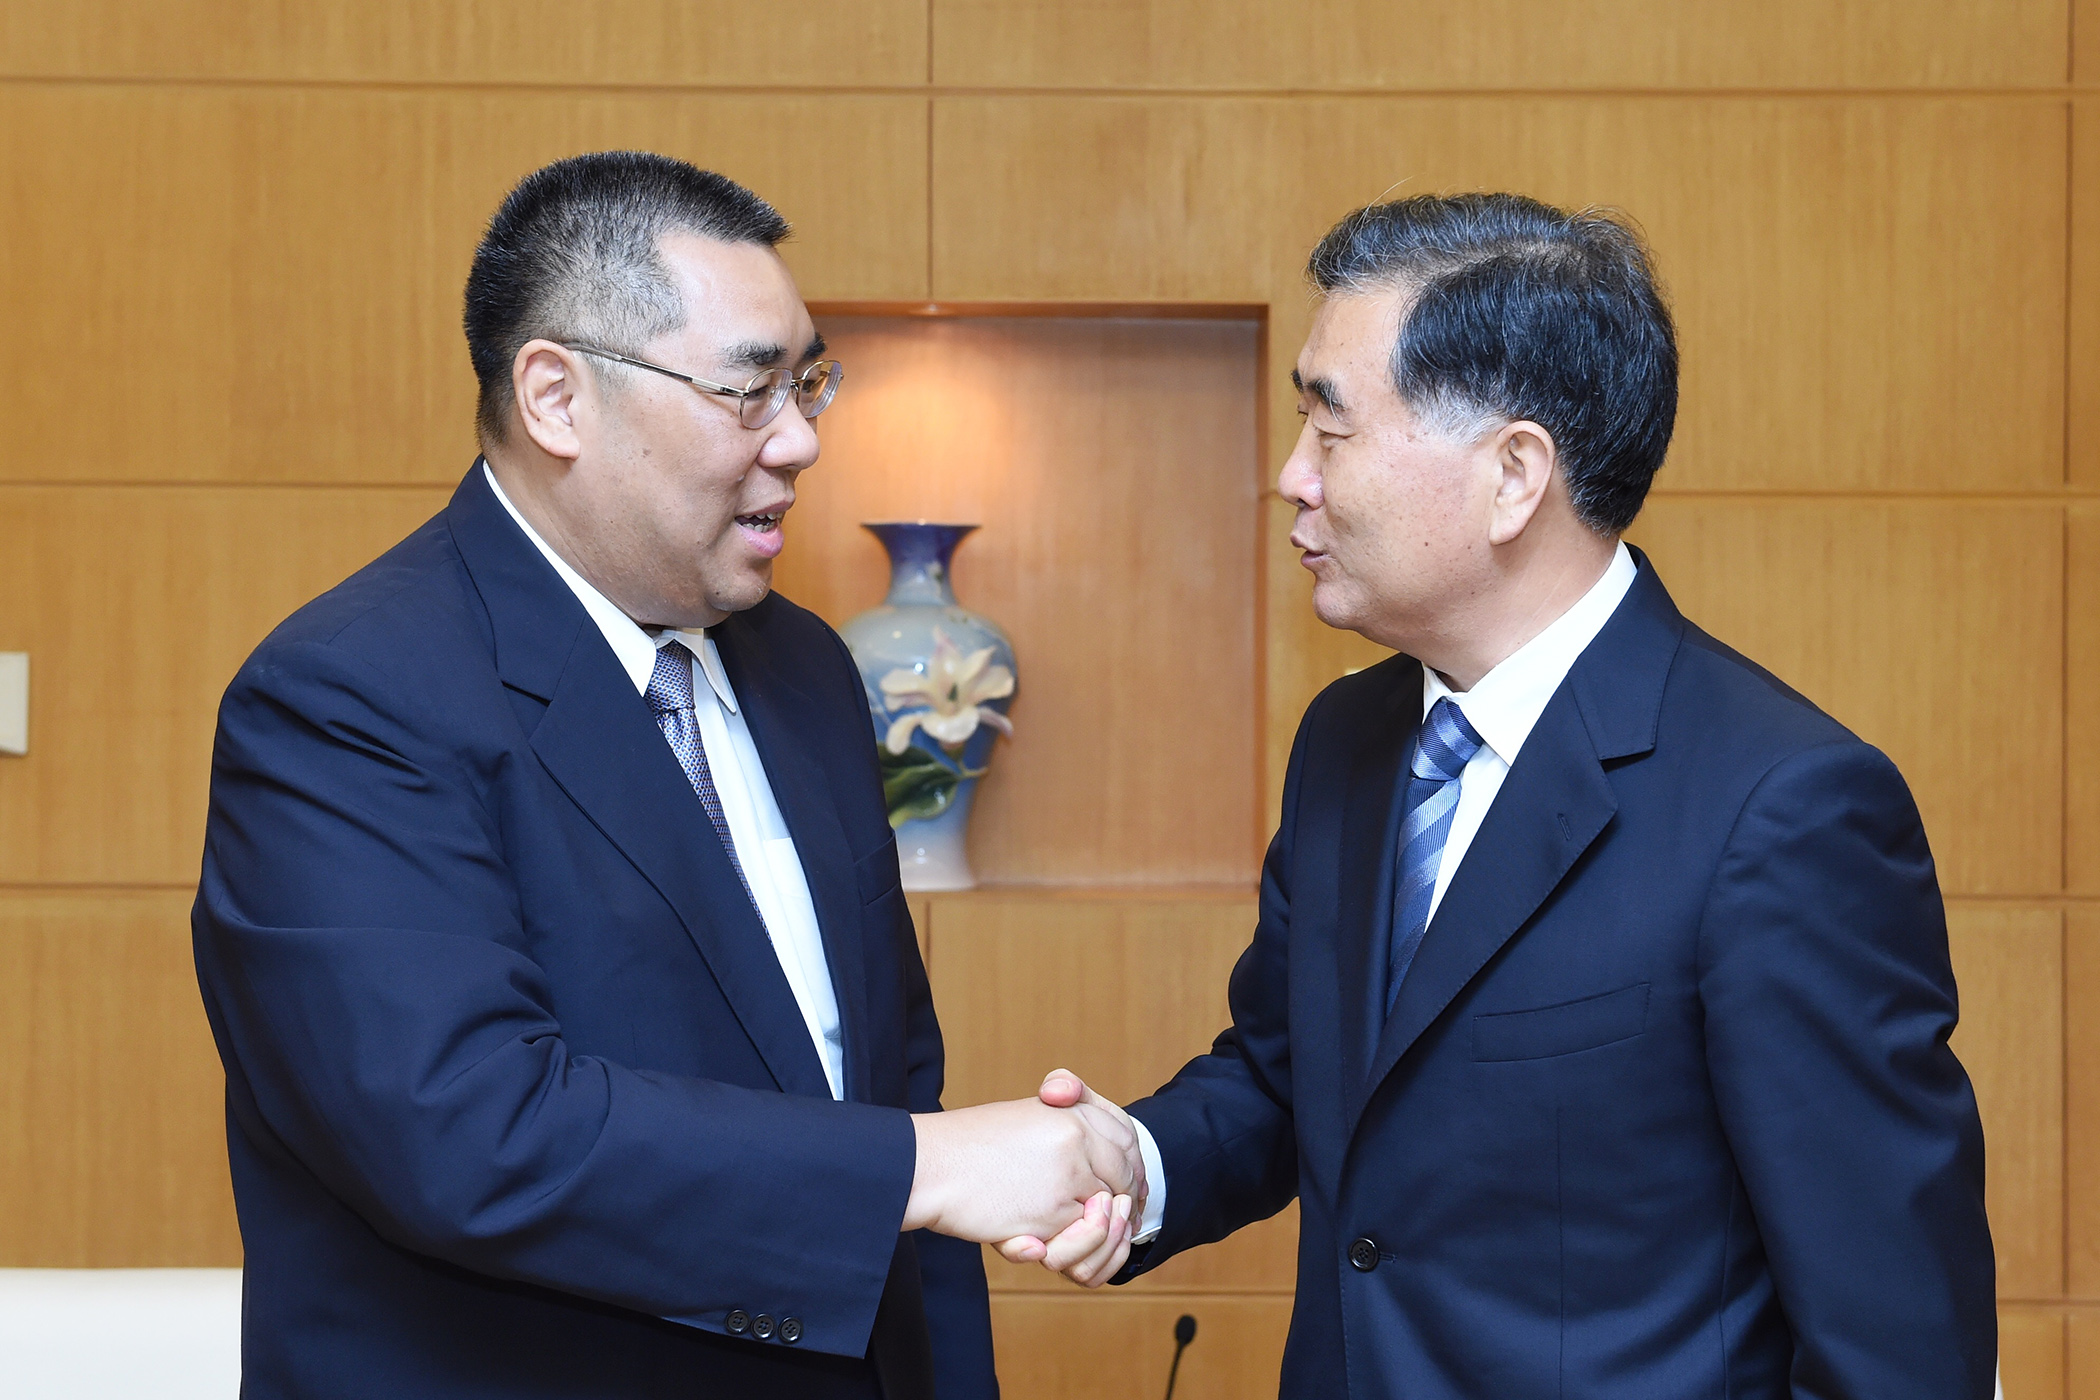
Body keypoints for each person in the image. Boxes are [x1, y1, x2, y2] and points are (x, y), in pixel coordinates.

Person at [190, 151, 1138, 1400]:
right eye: (748, 391)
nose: (801, 438)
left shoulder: (805, 668)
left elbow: (892, 1090)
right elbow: (471, 1131)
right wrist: (932, 1166)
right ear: (557, 398)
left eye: (807, 382)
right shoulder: (347, 697)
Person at [1016, 194, 1997, 1397]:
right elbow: (1292, 1073)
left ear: (1514, 475)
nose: (1290, 476)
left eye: (1331, 426)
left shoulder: (1784, 809)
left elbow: (1898, 1344)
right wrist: (1136, 1160)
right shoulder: (1349, 739)